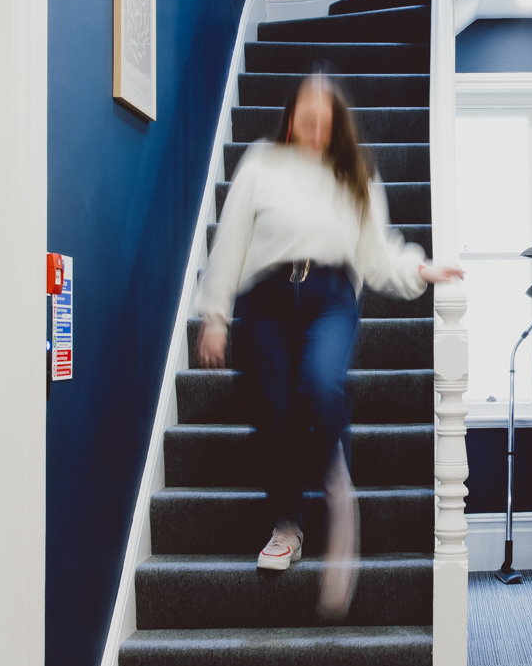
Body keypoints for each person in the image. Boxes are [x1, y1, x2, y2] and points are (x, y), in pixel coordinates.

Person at [196, 74, 460, 615]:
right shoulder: (261, 164)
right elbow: (231, 240)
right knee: (272, 410)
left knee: (318, 386)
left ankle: (337, 487)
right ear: (291, 118)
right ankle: (287, 525)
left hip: (330, 294)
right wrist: (216, 314)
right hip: (266, 297)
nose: (315, 126)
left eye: (326, 117)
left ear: (337, 123)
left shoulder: (356, 172)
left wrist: (418, 268)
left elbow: (377, 254)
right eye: (306, 115)